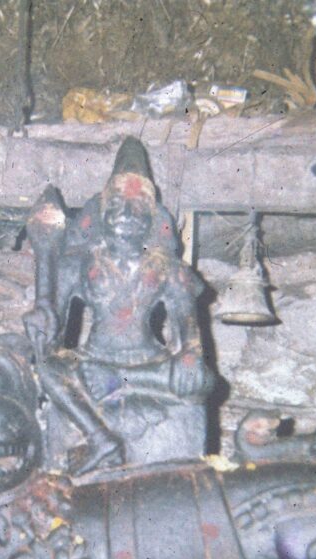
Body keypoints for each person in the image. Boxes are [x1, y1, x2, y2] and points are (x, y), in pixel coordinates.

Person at [23, 137, 214, 475]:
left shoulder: (171, 270)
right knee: (50, 370)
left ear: (153, 216)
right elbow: (52, 339)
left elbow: (190, 343)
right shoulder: (76, 265)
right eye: (117, 204)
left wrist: (188, 358)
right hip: (92, 361)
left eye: (138, 205)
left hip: (148, 365)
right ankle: (100, 439)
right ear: (100, 212)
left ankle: (121, 380)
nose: (127, 213)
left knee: (202, 382)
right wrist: (42, 323)